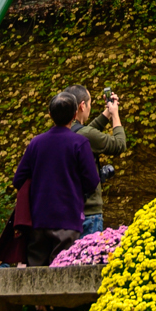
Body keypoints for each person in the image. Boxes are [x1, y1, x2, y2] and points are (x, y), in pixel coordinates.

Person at [12, 92, 100, 267]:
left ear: (50, 114)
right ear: (75, 115)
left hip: (38, 219)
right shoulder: (79, 143)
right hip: (68, 218)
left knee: (35, 275)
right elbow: (92, 181)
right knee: (63, 272)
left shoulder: (36, 143)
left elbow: (18, 179)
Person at [69, 85, 124, 237]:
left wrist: (107, 112)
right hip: (89, 213)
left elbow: (85, 131)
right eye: (90, 104)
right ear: (82, 106)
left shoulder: (63, 132)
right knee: (88, 260)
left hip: (67, 212)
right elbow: (119, 144)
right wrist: (115, 115)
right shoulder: (85, 135)